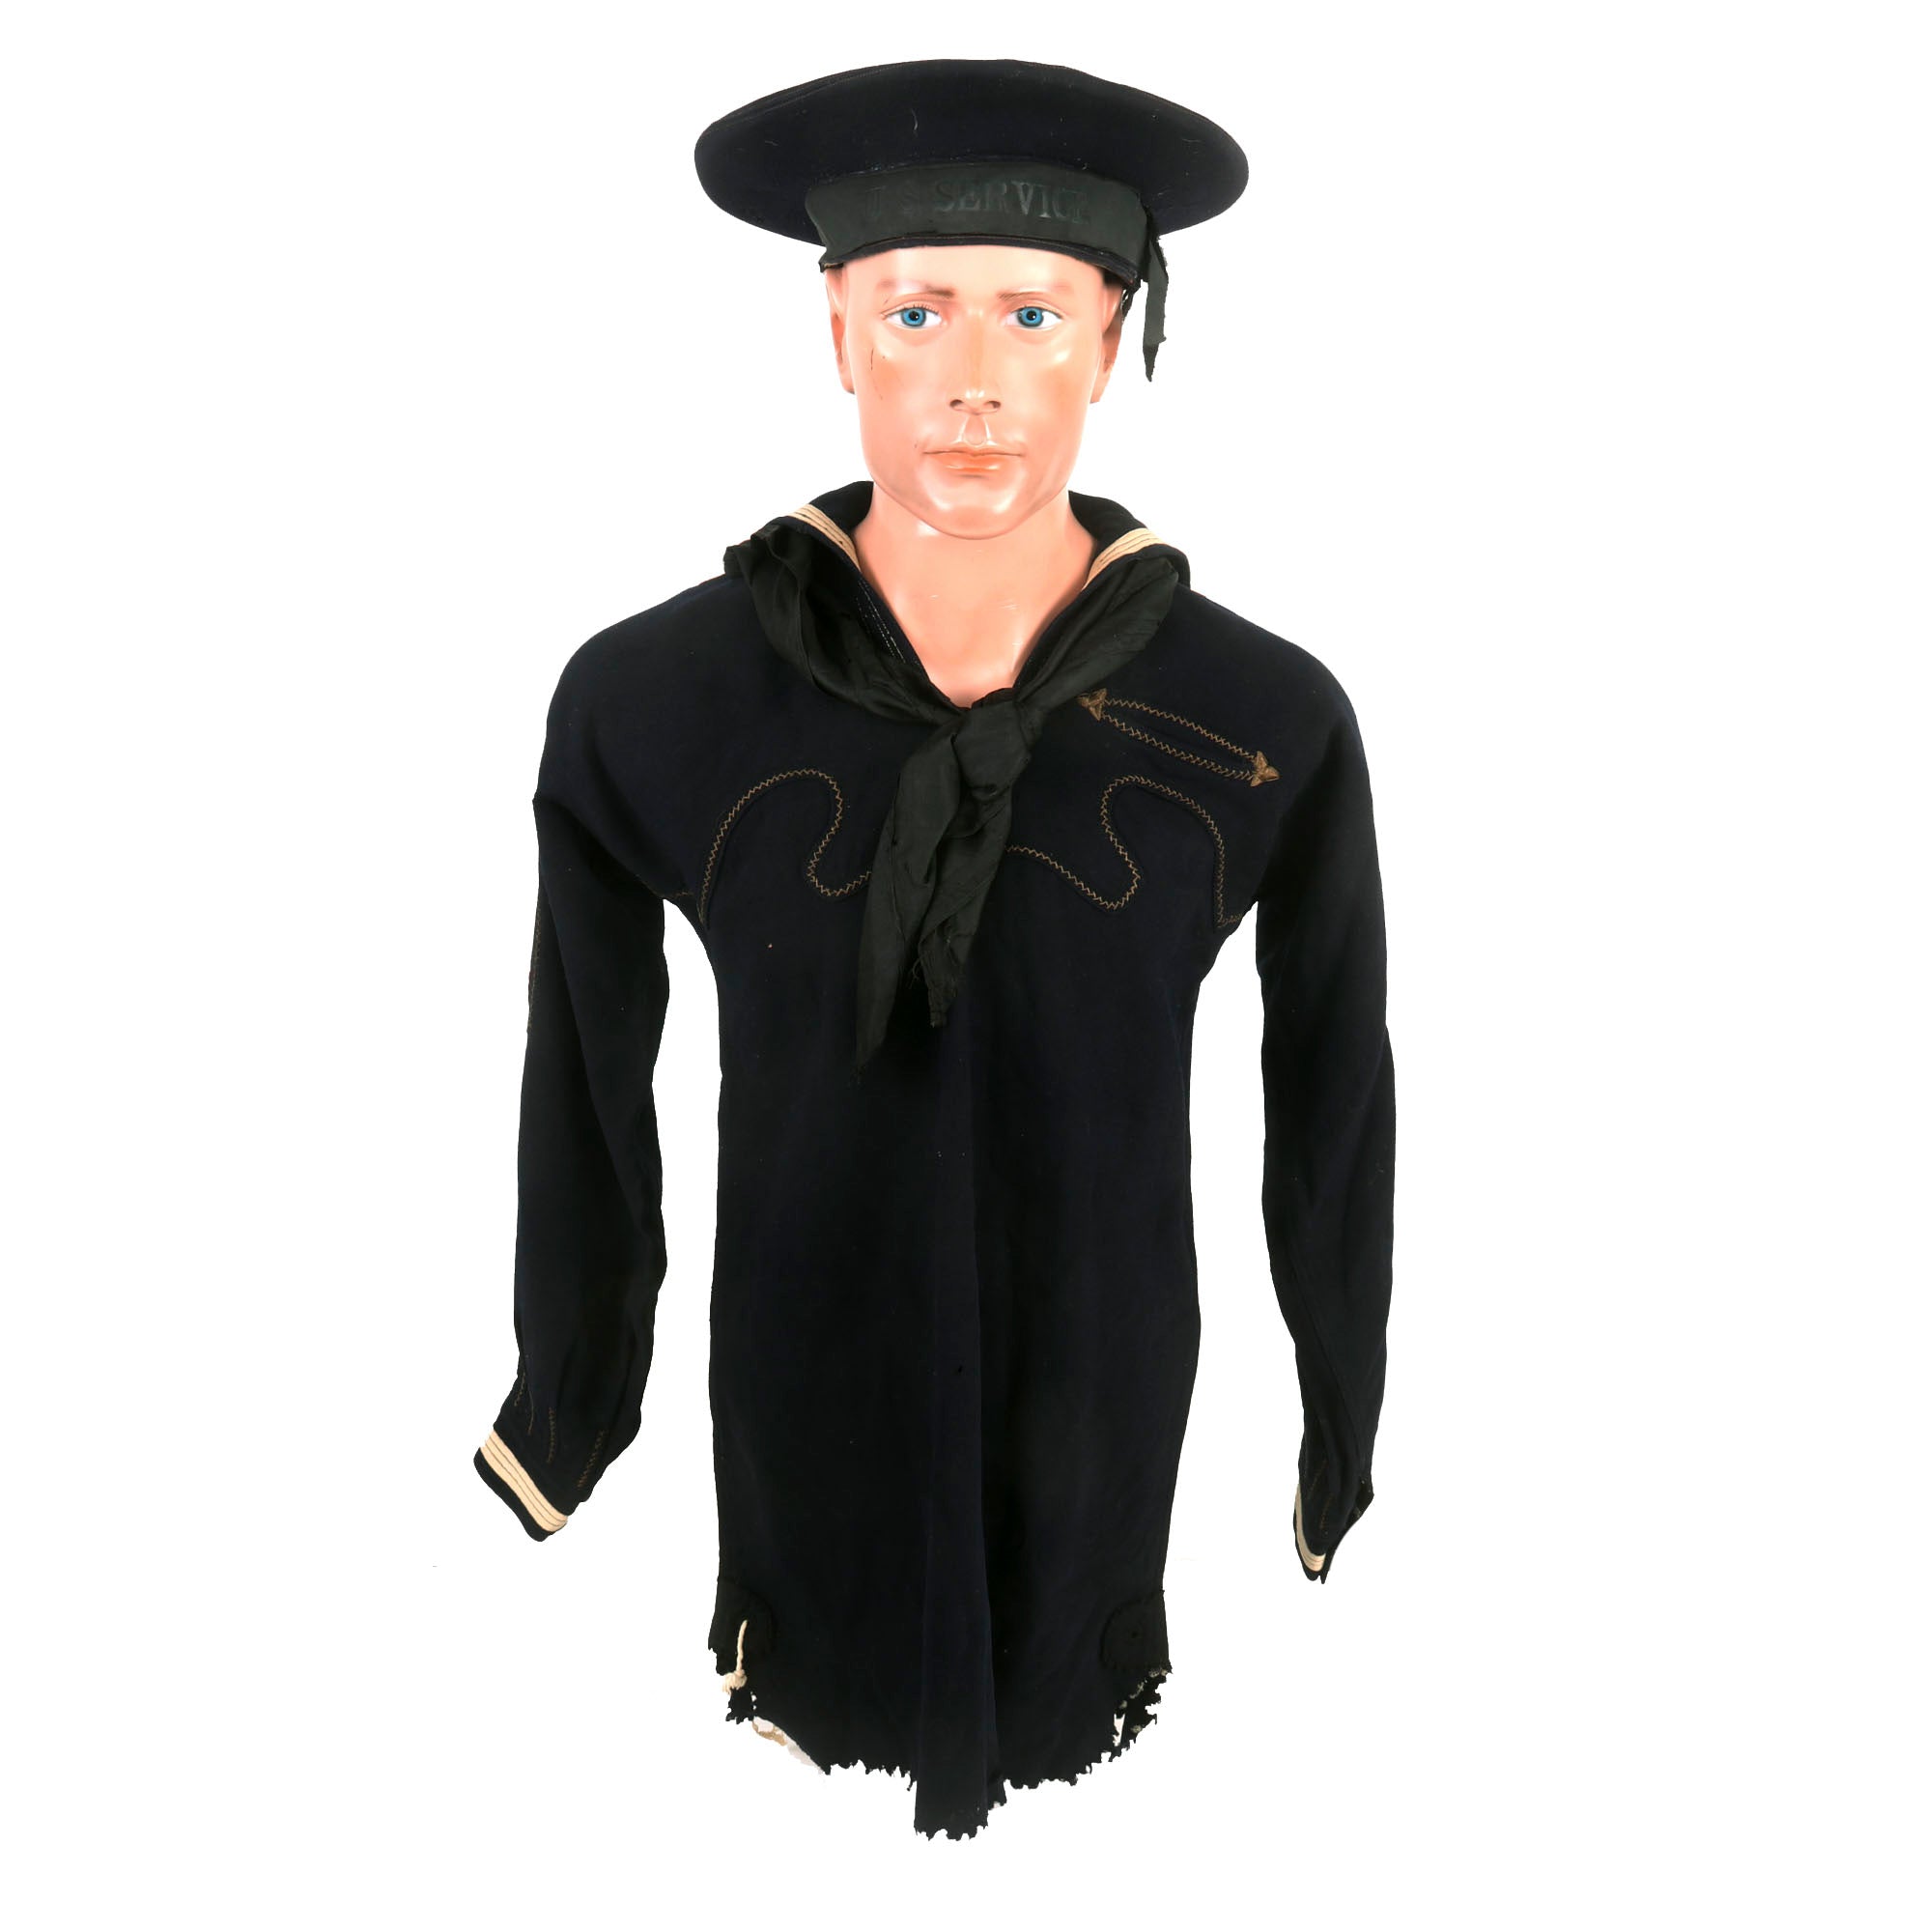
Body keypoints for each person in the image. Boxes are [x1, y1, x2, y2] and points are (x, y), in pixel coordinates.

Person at [471, 56, 1398, 1840]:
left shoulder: (1261, 721)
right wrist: (567, 1401)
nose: (975, 380)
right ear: (838, 333)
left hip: (1101, 1427)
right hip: (801, 1422)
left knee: (1084, 1716)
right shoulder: (654, 702)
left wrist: (1336, 1422)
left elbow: (1334, 1101)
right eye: (917, 312)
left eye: (1033, 315)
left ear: (1110, 342)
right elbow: (584, 1087)